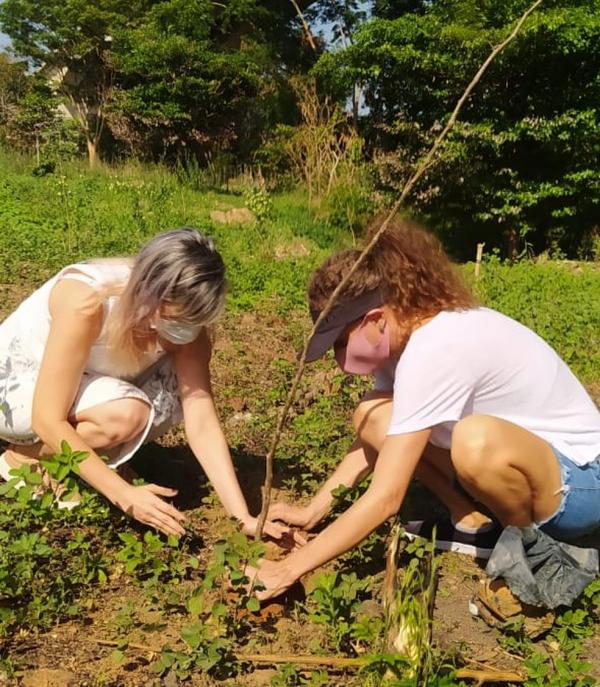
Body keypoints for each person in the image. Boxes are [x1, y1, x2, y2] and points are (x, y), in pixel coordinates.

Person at [252, 217, 600, 600]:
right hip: (528, 465)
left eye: (340, 343)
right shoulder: (399, 342)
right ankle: (472, 521)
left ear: (375, 320)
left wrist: (288, 570)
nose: (339, 360)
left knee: (475, 440)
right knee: (373, 413)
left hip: (580, 483)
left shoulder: (437, 347)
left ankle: (527, 545)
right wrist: (313, 510)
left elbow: (386, 497)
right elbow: (384, 436)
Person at [0, 227, 290, 541]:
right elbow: (47, 418)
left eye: (193, 321)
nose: (183, 330)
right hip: (16, 390)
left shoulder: (188, 325)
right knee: (126, 414)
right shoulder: (86, 302)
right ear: (148, 292)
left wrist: (243, 516)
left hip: (80, 384)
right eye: (175, 318)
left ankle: (94, 457)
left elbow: (201, 419)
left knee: (171, 395)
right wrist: (122, 494)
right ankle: (24, 456)